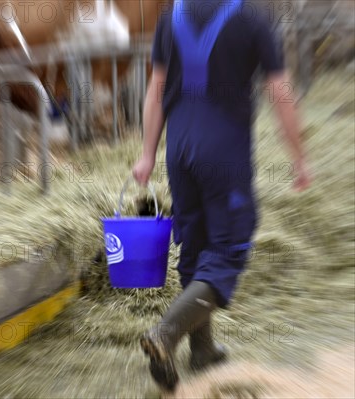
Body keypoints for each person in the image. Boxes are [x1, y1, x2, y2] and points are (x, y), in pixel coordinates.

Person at [132, 0, 311, 392]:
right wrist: (299, 157)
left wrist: (147, 155)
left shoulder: (170, 17)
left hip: (179, 151)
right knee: (228, 249)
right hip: (223, 151)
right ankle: (166, 334)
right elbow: (280, 92)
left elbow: (155, 91)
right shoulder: (253, 21)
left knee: (194, 247)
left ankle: (203, 350)